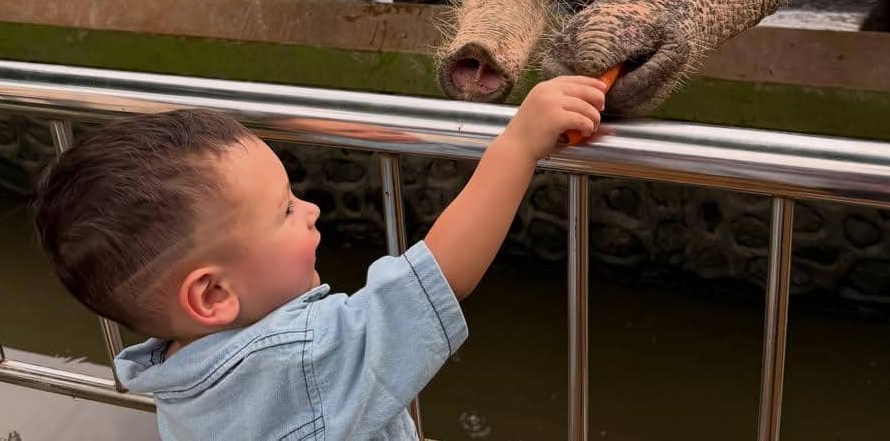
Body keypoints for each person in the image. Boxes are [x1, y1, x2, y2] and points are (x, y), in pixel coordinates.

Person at [33, 76, 606, 440]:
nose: (310, 209)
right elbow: (437, 276)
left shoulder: (178, 373)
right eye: (284, 210)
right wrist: (518, 144)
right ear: (212, 295)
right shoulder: (296, 359)